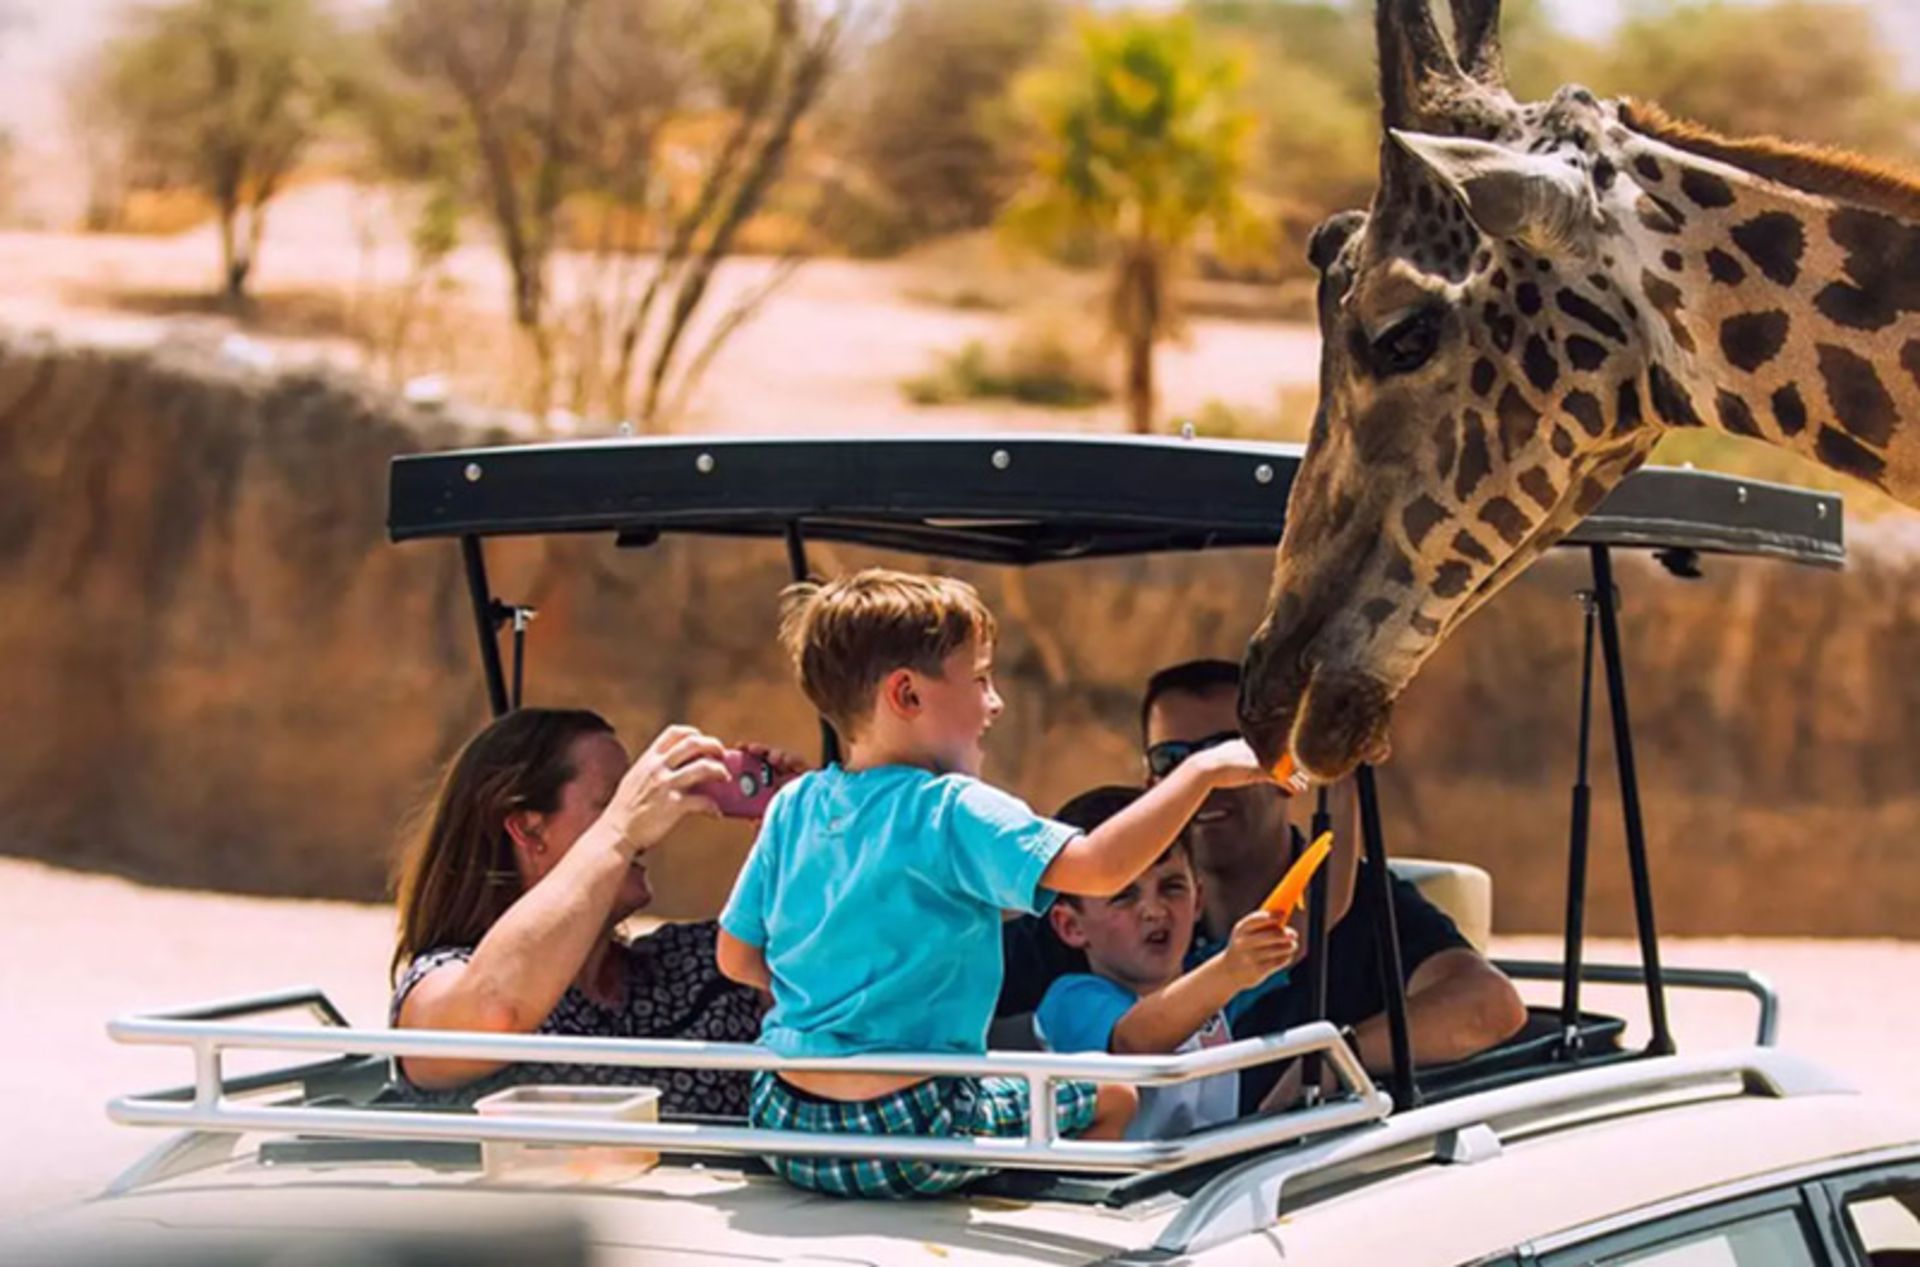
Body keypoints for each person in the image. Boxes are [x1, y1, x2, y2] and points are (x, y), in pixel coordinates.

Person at [713, 569, 1275, 1199]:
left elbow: (735, 956)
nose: (996, 702)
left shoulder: (796, 804)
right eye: (979, 680)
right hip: (915, 1128)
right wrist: (1200, 773)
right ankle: (1037, 1215)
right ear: (906, 695)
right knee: (1111, 1094)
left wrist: (826, 989)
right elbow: (1096, 868)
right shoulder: (951, 808)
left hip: (787, 1120)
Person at [1001, 659, 1528, 1112]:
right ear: (1153, 785)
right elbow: (1134, 1040)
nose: (1209, 779)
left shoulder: (1208, 962)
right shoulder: (1083, 952)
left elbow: (1318, 918)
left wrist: (1326, 1060)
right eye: (1174, 762)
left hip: (1239, 1193)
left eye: (1229, 753)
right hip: (1111, 1207)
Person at [389, 708, 793, 1118]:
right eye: (611, 802)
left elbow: (837, 989)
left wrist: (814, 840)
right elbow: (495, 1012)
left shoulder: (702, 964)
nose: (649, 830)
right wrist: (619, 831)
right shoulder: (443, 977)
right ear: (529, 829)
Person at [1034, 786, 1298, 1140]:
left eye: (1172, 887)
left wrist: (1344, 789)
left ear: (1198, 898)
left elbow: (1317, 919)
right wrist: (1231, 971)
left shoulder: (1214, 974)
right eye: (1124, 896)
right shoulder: (1070, 999)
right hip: (1118, 1192)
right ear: (1071, 926)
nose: (1155, 911)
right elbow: (1133, 1043)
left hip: (1215, 1184)